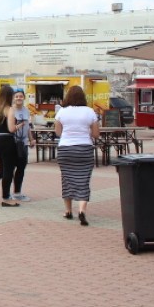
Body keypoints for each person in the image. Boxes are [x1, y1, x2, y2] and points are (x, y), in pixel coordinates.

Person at [55, 85, 100, 226]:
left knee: (67, 179)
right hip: (84, 149)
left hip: (65, 149)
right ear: (83, 97)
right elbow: (96, 134)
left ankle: (68, 211)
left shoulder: (62, 112)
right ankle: (82, 210)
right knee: (83, 180)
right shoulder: (90, 112)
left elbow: (58, 132)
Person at [11, 88, 35, 202]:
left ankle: (17, 192)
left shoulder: (26, 110)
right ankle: (7, 192)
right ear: (13, 98)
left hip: (23, 143)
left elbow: (28, 127)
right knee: (10, 168)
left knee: (21, 167)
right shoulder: (10, 111)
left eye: (20, 96)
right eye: (16, 96)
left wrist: (31, 139)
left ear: (24, 98)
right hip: (12, 143)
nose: (19, 98)